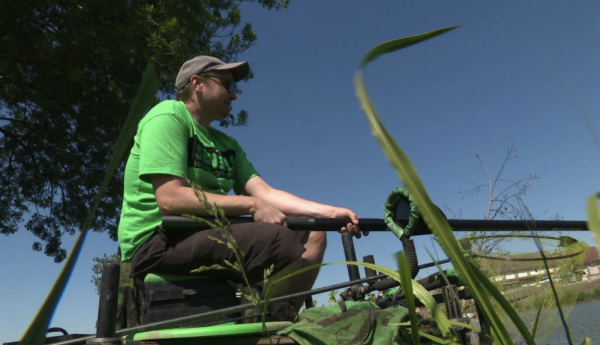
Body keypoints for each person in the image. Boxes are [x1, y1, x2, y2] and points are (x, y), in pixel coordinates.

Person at [117, 55, 367, 316]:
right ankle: (258, 327)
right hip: (157, 239)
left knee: (313, 232)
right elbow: (170, 199)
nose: (234, 95)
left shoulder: (227, 145)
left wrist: (327, 213)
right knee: (277, 240)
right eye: (226, 84)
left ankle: (280, 318)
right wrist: (251, 205)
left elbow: (265, 193)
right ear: (196, 83)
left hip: (204, 231)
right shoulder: (168, 116)